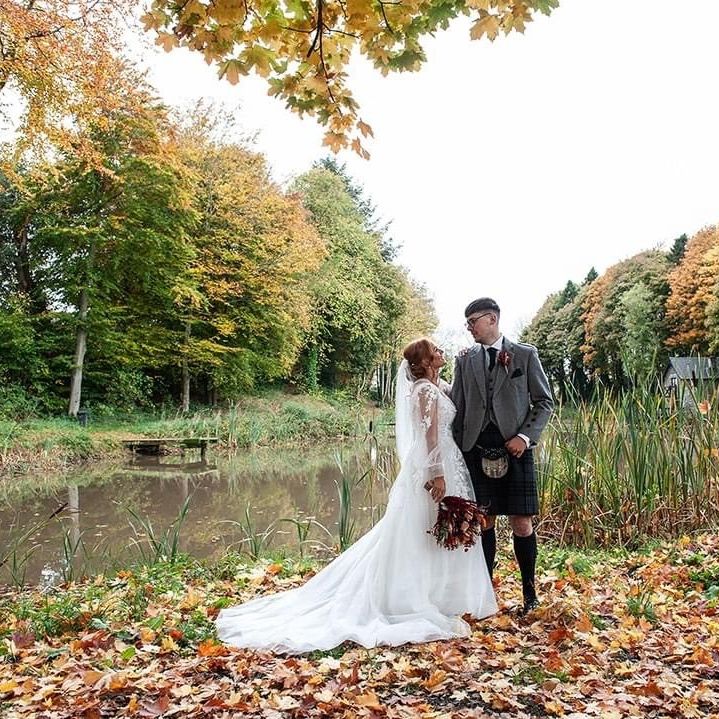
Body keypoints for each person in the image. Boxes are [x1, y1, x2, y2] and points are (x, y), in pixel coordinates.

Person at [216, 338, 497, 654]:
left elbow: (456, 391)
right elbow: (430, 435)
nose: (440, 352)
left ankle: (440, 594)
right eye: (435, 350)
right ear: (425, 360)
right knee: (421, 529)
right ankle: (411, 597)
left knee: (433, 529)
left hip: (447, 460)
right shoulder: (425, 391)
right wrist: (437, 473)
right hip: (436, 464)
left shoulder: (433, 386)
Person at [451, 298, 553, 614]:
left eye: (473, 321)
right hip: (476, 447)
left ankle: (530, 594)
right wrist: (453, 449)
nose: (469, 327)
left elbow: (544, 402)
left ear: (492, 318)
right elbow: (458, 406)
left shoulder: (525, 354)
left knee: (522, 522)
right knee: (484, 521)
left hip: (516, 449)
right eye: (467, 322)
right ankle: (485, 597)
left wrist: (525, 437)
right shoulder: (464, 360)